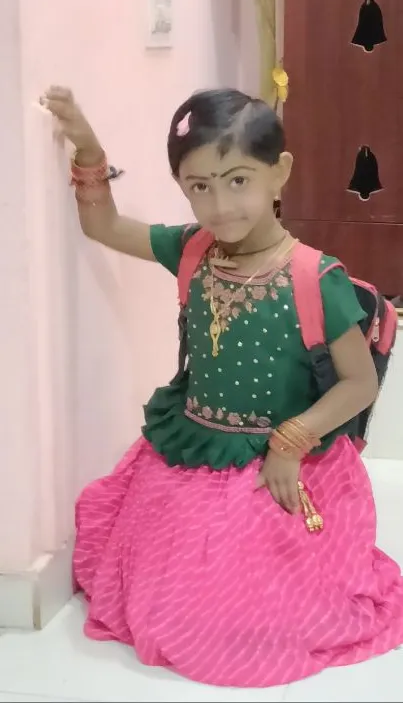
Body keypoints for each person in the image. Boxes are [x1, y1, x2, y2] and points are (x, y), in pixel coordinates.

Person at [43, 85, 403, 688]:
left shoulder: (317, 278)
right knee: (166, 598)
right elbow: (102, 225)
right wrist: (86, 145)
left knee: (252, 615)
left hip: (283, 463)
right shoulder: (191, 250)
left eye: (238, 180)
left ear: (278, 172)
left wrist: (291, 442)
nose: (219, 205)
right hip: (193, 454)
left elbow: (359, 383)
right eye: (198, 186)